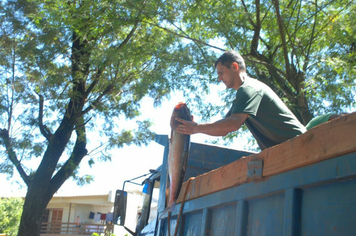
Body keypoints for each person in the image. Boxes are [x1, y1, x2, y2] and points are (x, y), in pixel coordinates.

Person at [176, 50, 306, 150]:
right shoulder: (242, 96)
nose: (219, 79)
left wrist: (196, 128)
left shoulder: (249, 88)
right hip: (287, 148)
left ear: (234, 66)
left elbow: (233, 123)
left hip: (302, 143)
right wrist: (195, 127)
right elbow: (224, 128)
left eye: (221, 72)